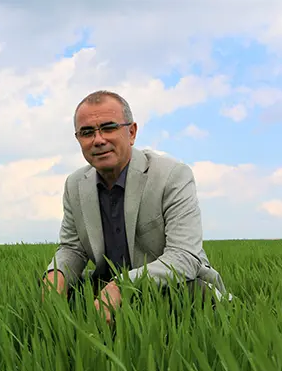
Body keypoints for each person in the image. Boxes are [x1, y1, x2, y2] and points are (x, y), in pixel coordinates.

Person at [42, 90, 229, 323]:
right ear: (79, 139)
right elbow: (73, 248)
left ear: (131, 132)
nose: (98, 140)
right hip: (106, 286)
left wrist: (123, 286)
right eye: (87, 132)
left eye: (109, 128)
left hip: (172, 286)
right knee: (66, 296)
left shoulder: (171, 175)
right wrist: (56, 274)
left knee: (193, 297)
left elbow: (184, 256)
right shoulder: (75, 184)